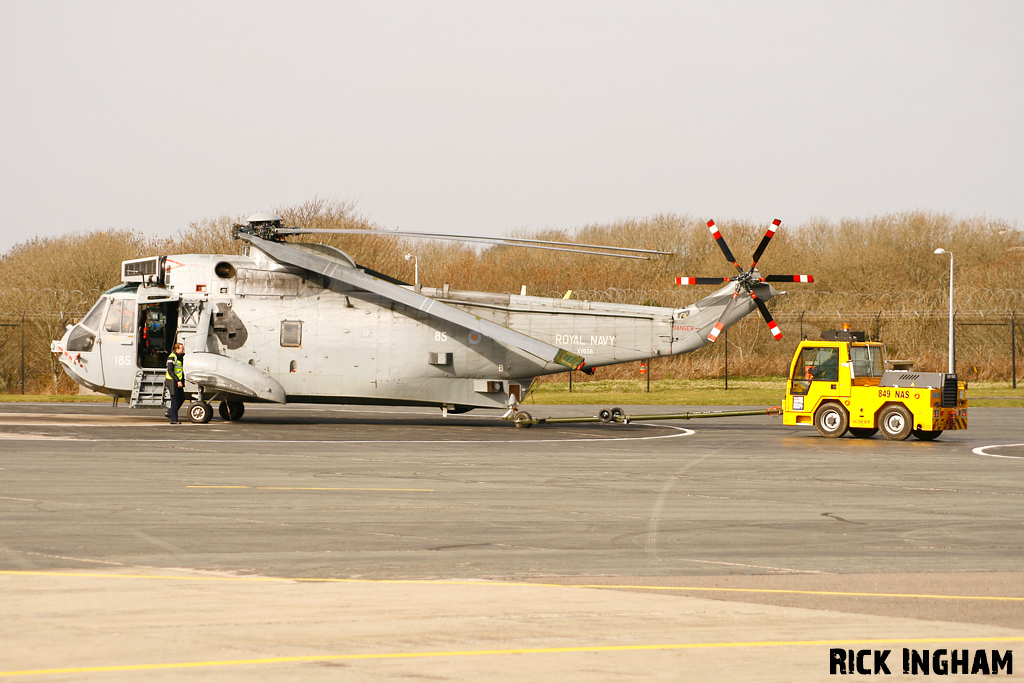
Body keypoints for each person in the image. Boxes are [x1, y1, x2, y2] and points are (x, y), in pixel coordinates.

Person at [165, 342, 185, 424]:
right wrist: (178, 381)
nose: (183, 350)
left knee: (182, 398)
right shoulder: (171, 357)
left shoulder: (179, 357)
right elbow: (170, 371)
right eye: (182, 349)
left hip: (178, 380)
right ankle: (173, 419)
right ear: (177, 349)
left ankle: (170, 412)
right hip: (172, 380)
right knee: (174, 399)